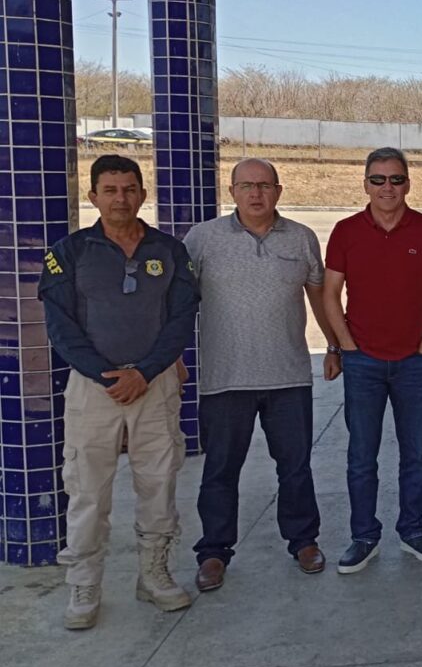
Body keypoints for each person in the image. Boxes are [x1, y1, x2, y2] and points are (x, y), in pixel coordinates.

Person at [41, 155, 199, 628]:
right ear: (93, 196)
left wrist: (144, 372)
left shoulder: (169, 251)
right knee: (88, 488)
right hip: (94, 389)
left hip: (153, 385)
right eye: (109, 190)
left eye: (129, 189)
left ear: (142, 194)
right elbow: (61, 326)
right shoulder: (69, 252)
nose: (120, 199)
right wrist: (105, 374)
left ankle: (154, 574)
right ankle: (85, 584)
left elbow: (181, 319)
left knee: (159, 481)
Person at [184, 158, 331, 590]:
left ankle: (304, 541)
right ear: (232, 191)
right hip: (225, 379)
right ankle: (213, 552)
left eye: (264, 186)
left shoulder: (302, 239)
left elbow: (320, 297)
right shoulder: (203, 240)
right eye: (246, 185)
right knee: (221, 470)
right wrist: (173, 356)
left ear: (279, 191)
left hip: (288, 376)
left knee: (296, 466)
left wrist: (335, 344)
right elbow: (177, 303)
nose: (256, 194)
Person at [319, 147, 422, 573]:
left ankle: (413, 530)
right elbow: (329, 294)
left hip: (415, 360)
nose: (387, 188)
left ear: (408, 183)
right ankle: (364, 536)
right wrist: (345, 345)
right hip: (364, 363)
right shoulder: (345, 231)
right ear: (366, 184)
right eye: (378, 180)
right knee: (362, 455)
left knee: (416, 454)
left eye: (396, 179)